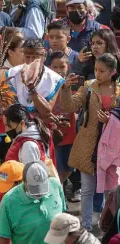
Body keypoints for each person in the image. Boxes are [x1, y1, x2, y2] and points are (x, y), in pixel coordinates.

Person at [60, 53, 120, 231]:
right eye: (96, 70)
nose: (97, 74)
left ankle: (109, 226)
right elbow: (69, 107)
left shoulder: (119, 90)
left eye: (102, 71)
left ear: (113, 72)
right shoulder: (88, 87)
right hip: (89, 145)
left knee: (111, 190)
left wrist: (112, 120)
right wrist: (65, 89)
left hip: (112, 146)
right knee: (87, 188)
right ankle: (86, 226)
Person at [0, 160, 66, 244]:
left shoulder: (55, 186)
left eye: (42, 188)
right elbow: (1, 239)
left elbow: (64, 219)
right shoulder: (9, 201)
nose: (39, 194)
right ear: (24, 182)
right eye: (34, 189)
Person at [49, 52, 77, 184]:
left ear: (68, 67)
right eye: (55, 67)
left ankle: (59, 189)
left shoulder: (74, 85)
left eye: (62, 67)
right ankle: (58, 192)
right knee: (55, 169)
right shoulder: (46, 86)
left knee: (69, 168)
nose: (59, 71)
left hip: (70, 133)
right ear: (49, 67)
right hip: (53, 134)